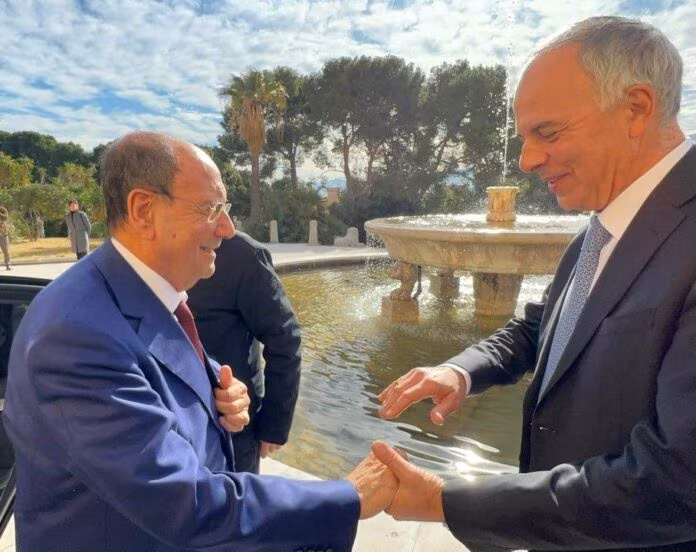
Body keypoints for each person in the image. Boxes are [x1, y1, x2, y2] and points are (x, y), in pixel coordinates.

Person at [375, 15, 696, 552]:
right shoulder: (597, 230)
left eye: (547, 132)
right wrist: (460, 371)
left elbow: (674, 483)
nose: (527, 161)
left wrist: (445, 501)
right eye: (525, 137)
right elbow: (541, 327)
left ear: (636, 109)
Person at [4, 131, 396, 552]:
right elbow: (183, 502)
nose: (227, 228)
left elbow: (165, 379)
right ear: (144, 210)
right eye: (211, 209)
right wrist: (349, 497)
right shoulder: (75, 336)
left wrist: (224, 396)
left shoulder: (146, 296)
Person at [187, 231, 301, 473]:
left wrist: (273, 424)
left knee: (237, 495)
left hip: (233, 425)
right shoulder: (144, 256)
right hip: (176, 423)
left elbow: (284, 338)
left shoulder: (242, 255)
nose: (224, 224)